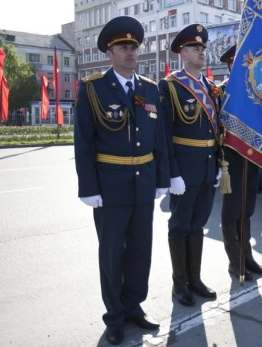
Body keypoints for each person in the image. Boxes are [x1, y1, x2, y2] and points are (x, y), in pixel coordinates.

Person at [74, 16, 170, 345]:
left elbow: (160, 139)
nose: (130, 52)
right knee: (113, 252)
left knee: (141, 250)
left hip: (143, 184)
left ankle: (133, 306)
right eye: (123, 47)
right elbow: (84, 141)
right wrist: (88, 188)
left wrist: (161, 179)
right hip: (110, 186)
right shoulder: (93, 88)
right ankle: (114, 315)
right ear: (109, 52)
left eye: (134, 47)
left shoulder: (149, 88)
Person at [158, 23, 219, 307]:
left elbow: (215, 129)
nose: (201, 52)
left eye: (203, 48)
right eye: (195, 48)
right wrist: (172, 174)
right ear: (182, 53)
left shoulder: (210, 87)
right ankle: (179, 283)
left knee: (198, 225)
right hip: (184, 169)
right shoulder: (170, 86)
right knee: (180, 226)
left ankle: (195, 279)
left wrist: (218, 164)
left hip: (207, 168)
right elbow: (164, 136)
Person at [218, 44, 262, 281]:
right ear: (231, 66)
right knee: (232, 211)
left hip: (252, 157)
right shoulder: (221, 92)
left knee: (247, 210)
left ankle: (247, 256)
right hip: (232, 160)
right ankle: (234, 261)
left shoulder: (255, 94)